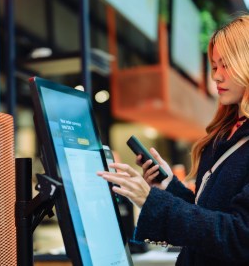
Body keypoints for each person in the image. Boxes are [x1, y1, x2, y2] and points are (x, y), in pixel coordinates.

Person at [97, 14, 249, 266]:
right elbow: (207, 217)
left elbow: (239, 236)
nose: (216, 76)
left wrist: (151, 201)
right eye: (214, 66)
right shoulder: (225, 132)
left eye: (226, 65)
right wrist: (168, 186)